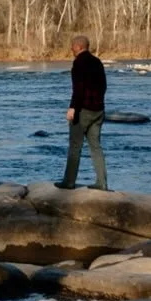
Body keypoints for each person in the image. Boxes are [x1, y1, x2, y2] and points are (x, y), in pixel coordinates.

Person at [54, 35, 108, 190]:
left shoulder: (79, 63)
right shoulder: (97, 62)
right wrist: (99, 103)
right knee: (96, 146)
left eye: (72, 46)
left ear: (78, 46)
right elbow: (103, 86)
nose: (70, 49)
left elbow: (78, 88)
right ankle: (102, 182)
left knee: (75, 146)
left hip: (83, 110)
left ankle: (69, 182)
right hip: (99, 110)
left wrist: (72, 108)